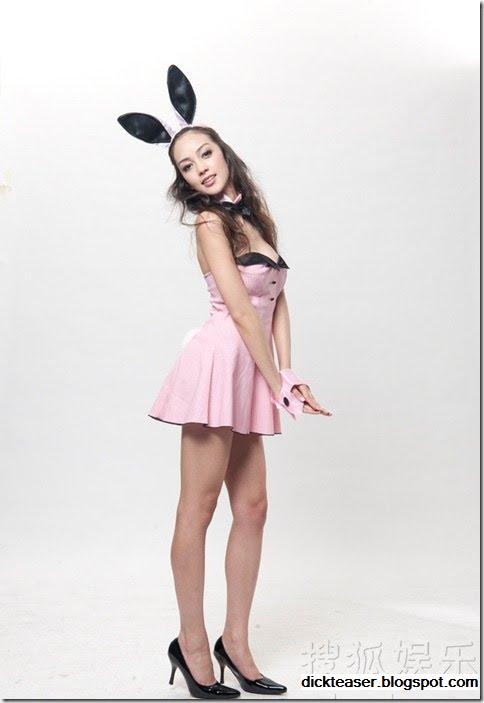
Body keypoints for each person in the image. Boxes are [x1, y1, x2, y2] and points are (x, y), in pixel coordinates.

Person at [118, 66, 332, 700]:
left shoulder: (256, 219)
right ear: (183, 180)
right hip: (220, 366)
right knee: (199, 508)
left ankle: (235, 641)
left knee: (254, 508)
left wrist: (288, 374)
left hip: (253, 367)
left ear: (223, 151)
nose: (200, 169)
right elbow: (240, 311)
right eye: (186, 166)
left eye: (204, 154)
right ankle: (191, 644)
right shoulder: (210, 224)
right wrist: (277, 384)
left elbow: (277, 301)